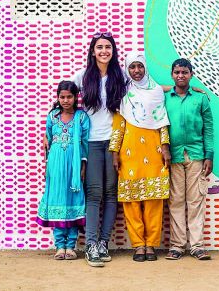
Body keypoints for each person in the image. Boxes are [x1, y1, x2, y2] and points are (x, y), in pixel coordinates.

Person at [71, 32, 127, 267]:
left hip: (115, 141)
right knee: (94, 193)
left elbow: (147, 88)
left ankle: (103, 242)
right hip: (92, 141)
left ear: (113, 51)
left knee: (112, 193)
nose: (104, 51)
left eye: (108, 47)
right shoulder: (82, 76)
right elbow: (64, 100)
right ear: (92, 51)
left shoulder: (121, 74)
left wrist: (177, 87)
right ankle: (90, 244)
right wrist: (50, 129)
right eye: (99, 47)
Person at [109, 53, 171, 262]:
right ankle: (138, 246)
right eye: (132, 67)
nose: (136, 71)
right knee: (132, 202)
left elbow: (162, 120)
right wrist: (115, 152)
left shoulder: (156, 92)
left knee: (154, 200)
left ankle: (151, 245)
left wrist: (165, 147)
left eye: (140, 66)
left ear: (145, 68)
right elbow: (118, 124)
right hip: (129, 153)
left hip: (153, 153)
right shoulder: (124, 93)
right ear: (127, 69)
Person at [164, 58, 213, 261]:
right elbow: (162, 126)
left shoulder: (200, 99)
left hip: (196, 154)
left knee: (195, 200)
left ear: (191, 74)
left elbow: (208, 128)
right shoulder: (166, 98)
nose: (181, 76)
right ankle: (177, 245)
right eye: (177, 72)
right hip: (173, 155)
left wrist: (209, 155)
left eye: (185, 72)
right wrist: (164, 149)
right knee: (176, 200)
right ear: (172, 75)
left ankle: (197, 245)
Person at [36, 80, 90, 260]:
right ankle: (59, 245)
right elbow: (48, 140)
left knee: (73, 200)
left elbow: (84, 144)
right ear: (58, 98)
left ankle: (71, 246)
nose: (65, 100)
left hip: (74, 166)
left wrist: (82, 166)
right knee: (58, 200)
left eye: (69, 97)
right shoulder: (52, 116)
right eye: (62, 97)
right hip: (56, 165)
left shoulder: (82, 117)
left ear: (75, 98)